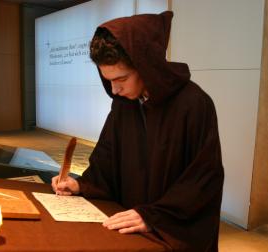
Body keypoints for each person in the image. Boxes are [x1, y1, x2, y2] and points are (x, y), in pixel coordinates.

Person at [52, 11, 224, 251]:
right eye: (108, 80)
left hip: (170, 230)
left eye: (121, 78)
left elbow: (203, 179)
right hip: (128, 227)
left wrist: (154, 216)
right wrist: (83, 185)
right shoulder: (124, 104)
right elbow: (108, 158)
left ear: (147, 67)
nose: (114, 89)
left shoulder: (194, 104)